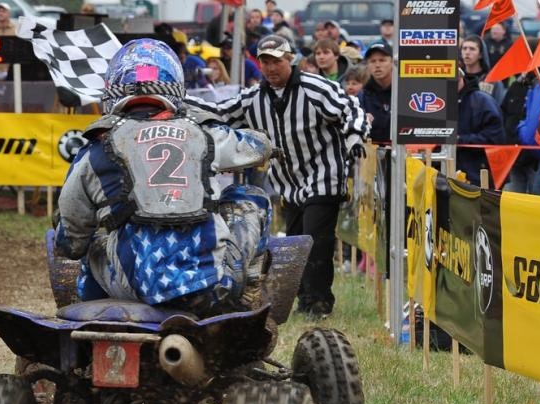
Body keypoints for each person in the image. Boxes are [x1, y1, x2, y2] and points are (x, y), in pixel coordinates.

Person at [56, 39, 276, 314]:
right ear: (175, 85)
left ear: (112, 88)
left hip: (135, 289)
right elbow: (260, 147)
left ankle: (91, 310)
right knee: (252, 197)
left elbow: (71, 244)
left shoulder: (95, 149)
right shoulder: (206, 135)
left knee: (92, 241)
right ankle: (248, 292)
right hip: (213, 287)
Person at [186, 34, 369, 319]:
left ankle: (318, 302)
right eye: (265, 62)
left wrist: (355, 138)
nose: (271, 68)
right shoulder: (253, 99)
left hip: (325, 174)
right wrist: (177, 100)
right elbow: (219, 113)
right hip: (288, 181)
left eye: (277, 61)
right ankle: (302, 299)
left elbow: (350, 109)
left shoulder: (316, 88)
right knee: (295, 242)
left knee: (315, 240)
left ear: (290, 59)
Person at [457, 69, 505, 185]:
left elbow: (494, 138)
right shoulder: (433, 101)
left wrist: (460, 140)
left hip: (477, 175)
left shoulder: (483, 102)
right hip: (442, 174)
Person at [360, 43, 393, 143]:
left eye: (382, 60)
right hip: (372, 153)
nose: (377, 65)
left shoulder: (405, 91)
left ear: (393, 63)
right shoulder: (362, 95)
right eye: (372, 61)